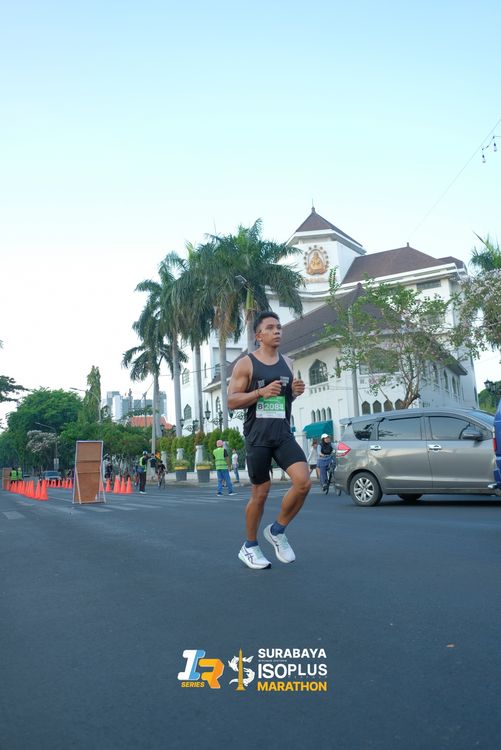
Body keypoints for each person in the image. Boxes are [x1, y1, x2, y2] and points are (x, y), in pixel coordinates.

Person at [228, 311, 311, 570]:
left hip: (282, 433)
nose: (277, 331)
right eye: (271, 328)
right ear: (259, 335)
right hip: (258, 436)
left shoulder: (288, 362)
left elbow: (284, 400)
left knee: (303, 482)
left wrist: (294, 393)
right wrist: (260, 392)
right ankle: (249, 546)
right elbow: (231, 401)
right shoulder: (246, 364)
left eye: (279, 327)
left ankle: (277, 530)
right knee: (260, 492)